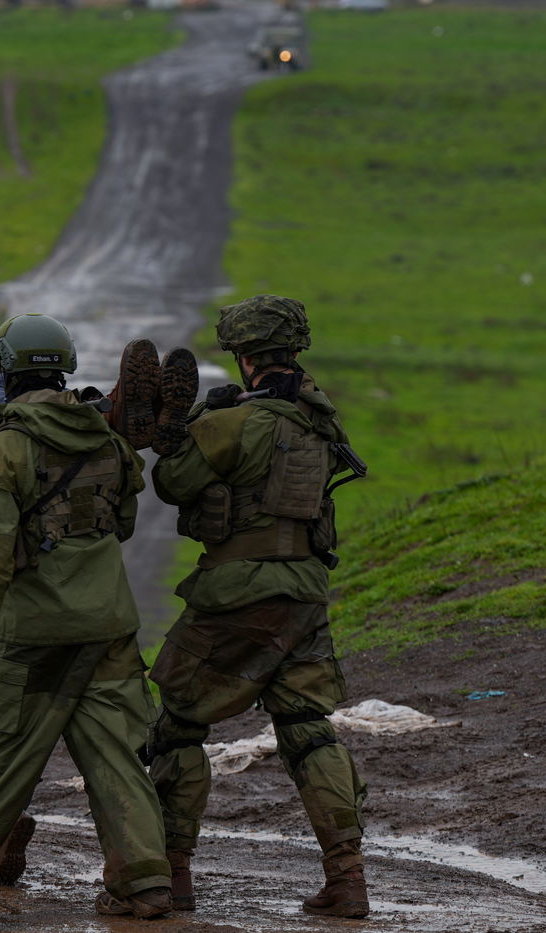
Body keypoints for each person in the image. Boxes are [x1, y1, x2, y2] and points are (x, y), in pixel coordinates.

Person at [0, 313, 172, 917]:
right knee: (116, 756)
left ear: (7, 370)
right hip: (109, 628)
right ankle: (147, 883)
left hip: (31, 637)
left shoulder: (0, 457)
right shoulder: (111, 443)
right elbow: (122, 525)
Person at [145, 294, 370, 918]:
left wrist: (197, 421)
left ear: (244, 359)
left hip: (234, 591)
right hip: (304, 591)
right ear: (293, 350)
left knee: (178, 726)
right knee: (306, 729)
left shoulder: (232, 424)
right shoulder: (318, 419)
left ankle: (173, 874)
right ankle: (347, 878)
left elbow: (171, 483)